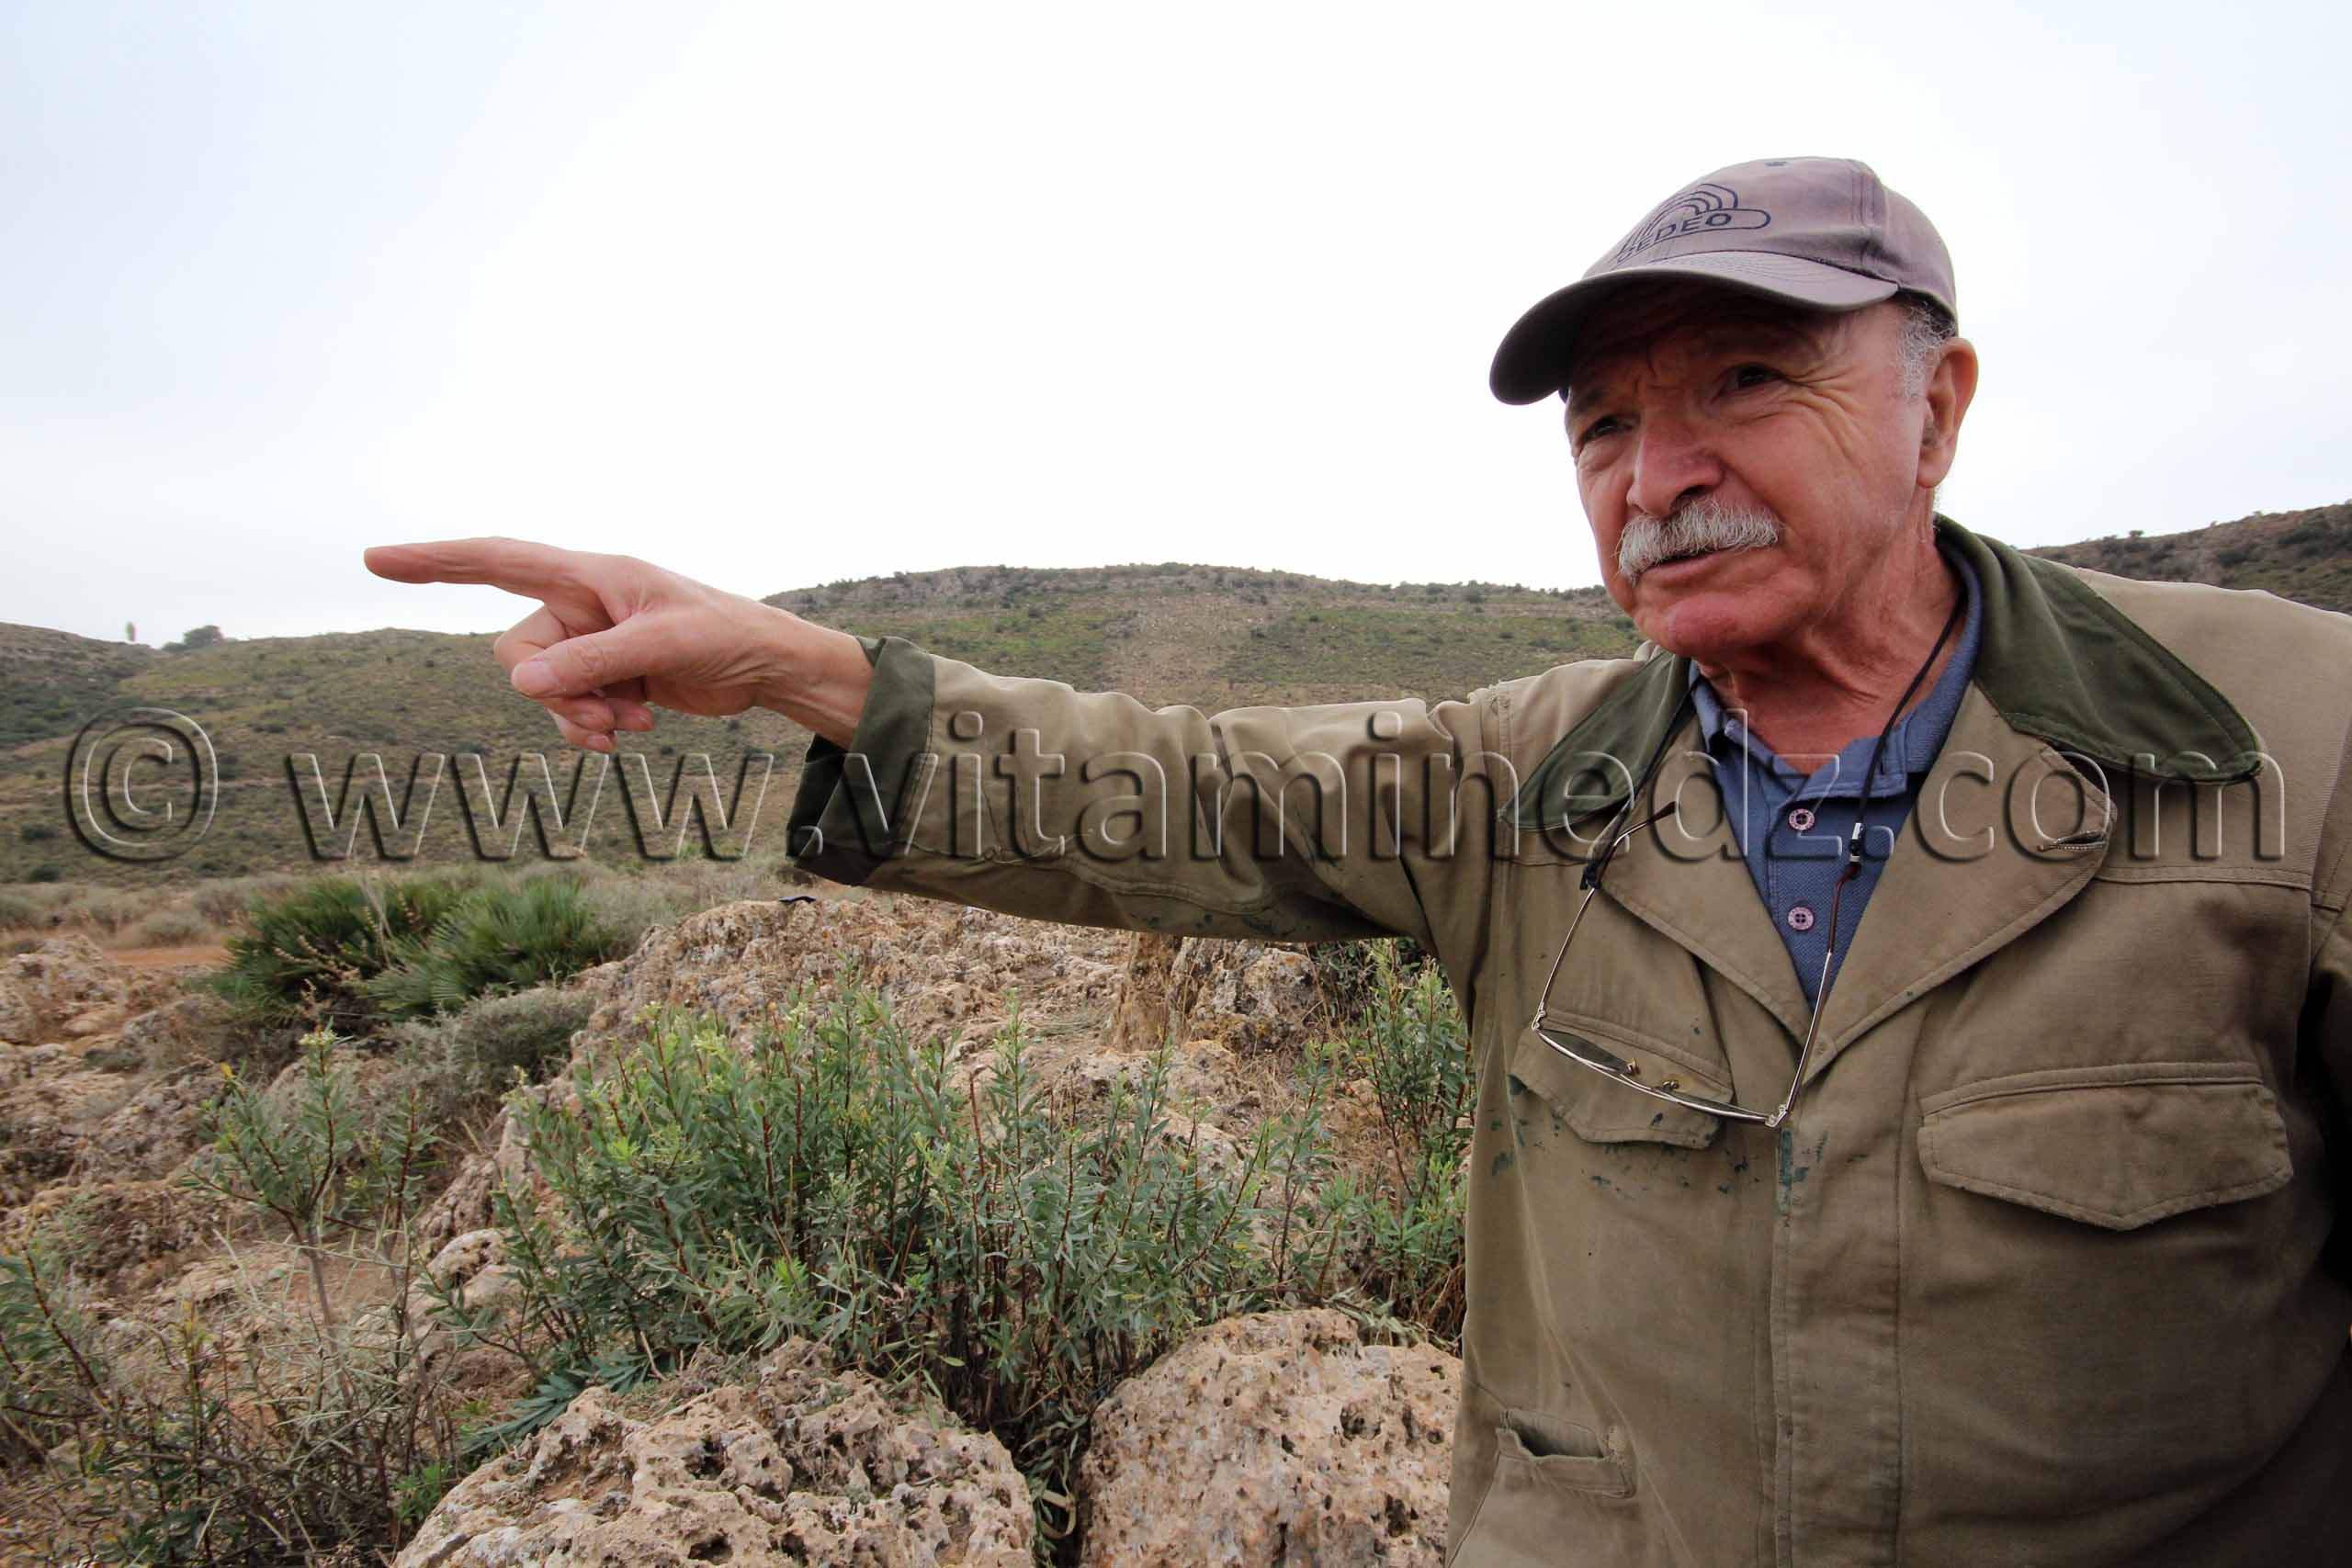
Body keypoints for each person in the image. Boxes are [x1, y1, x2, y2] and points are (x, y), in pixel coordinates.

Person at [368, 156, 2352, 1566]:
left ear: (1936, 405)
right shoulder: (1516, 777)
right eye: (1603, 426)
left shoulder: (2292, 736)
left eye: (1745, 382)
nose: (1656, 475)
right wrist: (798, 666)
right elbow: (1169, 784)